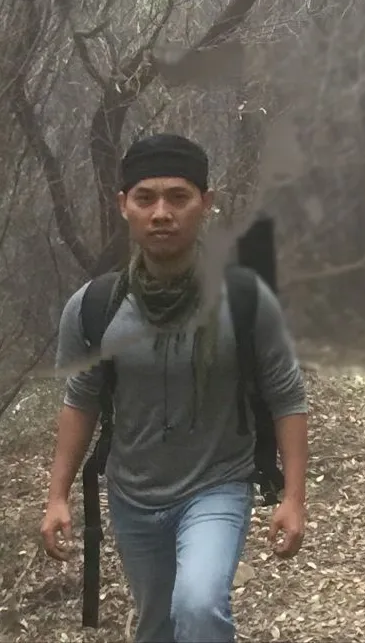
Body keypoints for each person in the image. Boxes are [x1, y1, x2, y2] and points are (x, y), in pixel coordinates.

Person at [41, 133, 308, 643]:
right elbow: (81, 401)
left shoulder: (247, 301)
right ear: (124, 206)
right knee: (157, 624)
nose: (161, 212)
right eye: (146, 198)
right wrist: (58, 496)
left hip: (217, 483)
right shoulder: (95, 307)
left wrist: (293, 497)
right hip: (132, 494)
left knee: (199, 606)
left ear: (205, 204)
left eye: (178, 197)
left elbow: (286, 396)